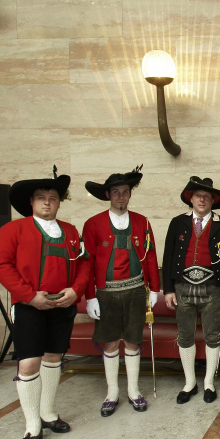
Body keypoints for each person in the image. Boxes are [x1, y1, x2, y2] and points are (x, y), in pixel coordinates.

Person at [0, 168, 90, 439]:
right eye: (41, 198)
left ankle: (48, 413)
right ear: (31, 203)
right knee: (28, 364)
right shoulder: (13, 230)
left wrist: (75, 291)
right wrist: (29, 296)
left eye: (52, 198)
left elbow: (84, 265)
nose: (47, 202)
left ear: (59, 203)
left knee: (53, 357)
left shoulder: (71, 231)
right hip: (30, 306)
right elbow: (1, 266)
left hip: (63, 305)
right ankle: (32, 425)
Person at [82, 167, 160, 417]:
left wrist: (155, 289)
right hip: (106, 294)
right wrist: (90, 296)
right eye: (116, 192)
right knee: (111, 342)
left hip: (136, 290)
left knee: (134, 341)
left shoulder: (142, 221)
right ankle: (112, 392)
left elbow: (150, 257)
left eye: (125, 192)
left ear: (129, 195)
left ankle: (134, 391)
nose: (121, 197)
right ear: (108, 195)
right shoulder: (92, 224)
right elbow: (87, 262)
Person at [162, 177, 220, 405]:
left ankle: (208, 382)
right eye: (198, 196)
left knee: (212, 336)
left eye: (207, 196)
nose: (202, 200)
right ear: (191, 199)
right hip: (182, 288)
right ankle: (189, 383)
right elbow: (167, 257)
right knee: (185, 336)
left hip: (214, 290)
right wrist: (168, 289)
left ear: (213, 200)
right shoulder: (178, 223)